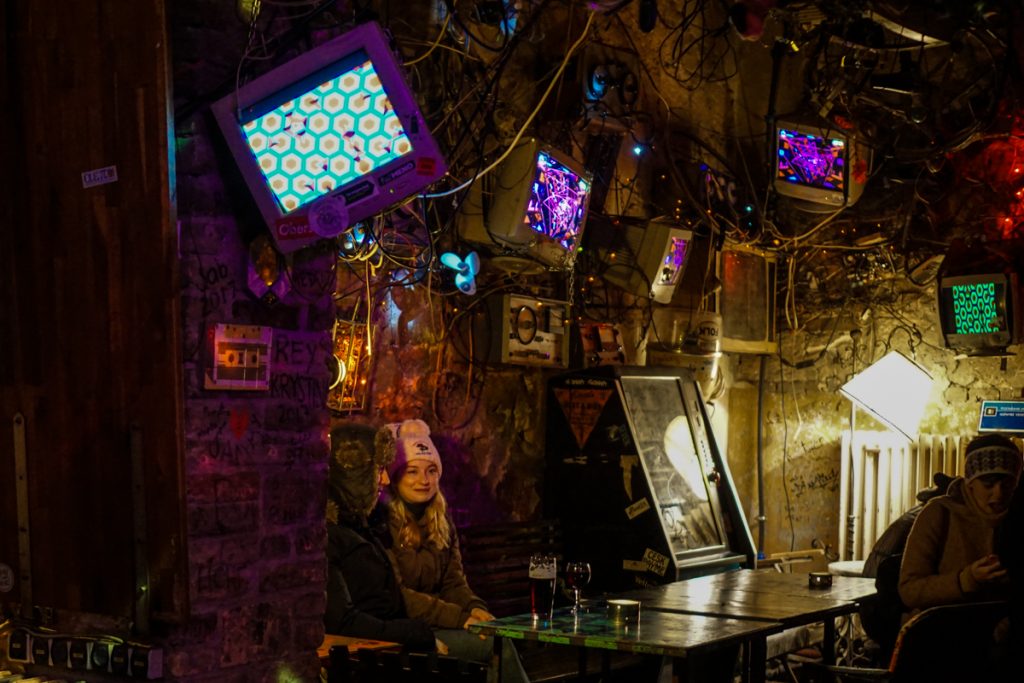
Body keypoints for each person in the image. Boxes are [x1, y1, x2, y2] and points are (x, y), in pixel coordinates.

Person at [383, 418, 529, 683]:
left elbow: (453, 581)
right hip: (408, 632)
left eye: (431, 471)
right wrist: (460, 618)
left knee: (495, 636)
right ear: (395, 476)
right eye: (412, 471)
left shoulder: (440, 518)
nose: (423, 480)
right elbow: (399, 596)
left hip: (442, 623)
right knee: (494, 647)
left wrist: (475, 609)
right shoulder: (383, 522)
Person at [323, 422, 436, 650]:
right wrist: (417, 634)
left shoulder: (360, 525)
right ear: (356, 475)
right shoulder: (331, 536)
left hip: (397, 640)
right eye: (378, 469)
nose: (384, 479)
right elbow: (343, 621)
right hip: (380, 653)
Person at [898, 434, 1022, 612]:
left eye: (1007, 484)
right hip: (940, 629)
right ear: (970, 482)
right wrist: (966, 580)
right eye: (988, 484)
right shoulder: (939, 514)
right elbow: (909, 590)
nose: (998, 494)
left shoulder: (1017, 518)